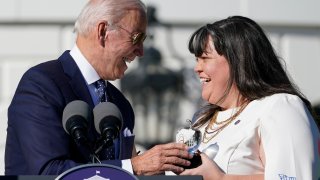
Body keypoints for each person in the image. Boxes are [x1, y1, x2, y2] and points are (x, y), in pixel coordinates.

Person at [5, 0, 192, 175]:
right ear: (102, 32)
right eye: (137, 37)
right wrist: (134, 167)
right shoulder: (42, 84)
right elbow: (48, 171)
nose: (141, 51)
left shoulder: (120, 103)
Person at [180, 16, 320, 180]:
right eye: (196, 59)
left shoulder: (280, 107)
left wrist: (221, 178)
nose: (197, 68)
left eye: (205, 58)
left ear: (238, 60)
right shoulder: (202, 120)